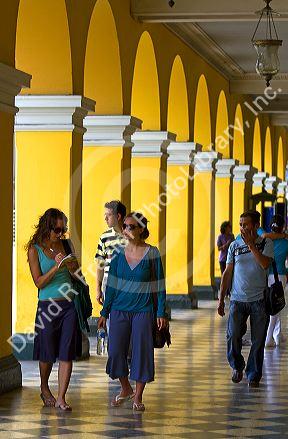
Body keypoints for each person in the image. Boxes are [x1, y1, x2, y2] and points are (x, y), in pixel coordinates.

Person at [98, 212, 167, 411]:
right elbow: (111, 285)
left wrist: (160, 312)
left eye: (130, 227)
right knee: (115, 351)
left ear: (141, 229)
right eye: (124, 227)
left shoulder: (152, 253)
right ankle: (125, 388)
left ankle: (138, 396)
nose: (126, 230)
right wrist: (104, 312)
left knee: (142, 352)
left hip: (143, 310)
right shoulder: (118, 253)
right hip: (119, 309)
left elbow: (159, 285)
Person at [26, 208, 81, 411]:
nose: (61, 234)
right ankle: (44, 386)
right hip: (47, 305)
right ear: (47, 227)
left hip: (68, 305)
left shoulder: (66, 244)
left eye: (63, 229)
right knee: (47, 353)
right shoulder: (35, 250)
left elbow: (77, 275)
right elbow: (38, 282)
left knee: (66, 352)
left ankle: (61, 397)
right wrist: (55, 267)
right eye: (57, 230)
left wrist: (72, 267)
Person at [217, 210, 273, 387]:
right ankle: (237, 366)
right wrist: (220, 299)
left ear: (256, 225)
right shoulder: (234, 245)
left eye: (246, 224)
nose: (242, 227)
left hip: (259, 300)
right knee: (233, 335)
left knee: (258, 340)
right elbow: (228, 272)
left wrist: (251, 245)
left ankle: (253, 374)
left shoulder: (266, 242)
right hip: (237, 300)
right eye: (240, 224)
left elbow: (265, 264)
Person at [95, 200, 127, 306]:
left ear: (118, 216)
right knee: (110, 318)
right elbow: (100, 265)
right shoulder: (104, 237)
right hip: (109, 284)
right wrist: (98, 289)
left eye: (108, 215)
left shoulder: (132, 236)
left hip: (130, 284)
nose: (105, 218)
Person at [263, 215, 288, 347]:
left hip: (268, 276)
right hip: (281, 276)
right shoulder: (286, 241)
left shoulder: (267, 240)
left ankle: (277, 335)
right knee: (276, 306)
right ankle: (269, 337)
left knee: (275, 305)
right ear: (283, 227)